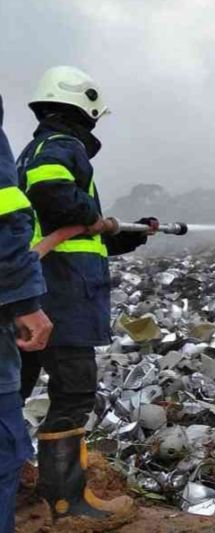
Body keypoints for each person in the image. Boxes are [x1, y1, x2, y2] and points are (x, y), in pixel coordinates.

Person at [17, 66, 153, 525]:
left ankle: (15, 481)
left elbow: (73, 232)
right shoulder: (59, 147)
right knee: (73, 394)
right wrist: (93, 214)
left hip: (40, 293)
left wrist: (126, 234)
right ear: (85, 107)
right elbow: (57, 198)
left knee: (14, 388)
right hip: (62, 302)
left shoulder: (35, 148)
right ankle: (66, 502)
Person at [0, 94, 52, 532]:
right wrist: (24, 301)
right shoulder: (61, 150)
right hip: (63, 290)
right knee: (2, 447)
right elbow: (3, 209)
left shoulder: (36, 151)